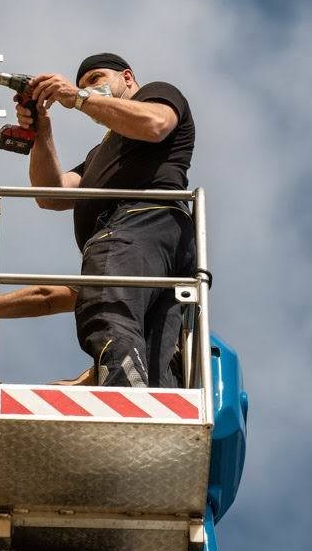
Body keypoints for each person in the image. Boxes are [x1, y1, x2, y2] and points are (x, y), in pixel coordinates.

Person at [15, 52, 196, 387]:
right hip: (141, 243)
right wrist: (42, 130)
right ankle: (150, 395)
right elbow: (51, 194)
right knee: (152, 341)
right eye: (83, 84)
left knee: (110, 307)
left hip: (142, 222)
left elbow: (156, 125)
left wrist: (77, 97)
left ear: (127, 77)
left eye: (96, 78)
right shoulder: (100, 154)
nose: (89, 88)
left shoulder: (157, 94)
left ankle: (123, 390)